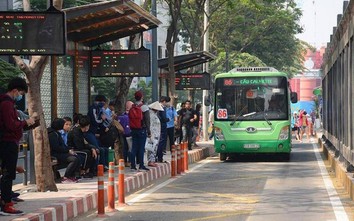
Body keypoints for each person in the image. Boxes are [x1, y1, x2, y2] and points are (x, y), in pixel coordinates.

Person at [0, 77, 36, 215]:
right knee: (8, 174)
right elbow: (11, 125)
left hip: (7, 141)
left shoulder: (6, 103)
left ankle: (5, 201)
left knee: (6, 173)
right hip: (8, 142)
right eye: (20, 93)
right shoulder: (7, 104)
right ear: (15, 90)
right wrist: (26, 122)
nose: (20, 96)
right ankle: (7, 205)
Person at [48, 118, 80, 183]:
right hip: (55, 154)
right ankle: (66, 177)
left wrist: (69, 149)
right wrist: (67, 151)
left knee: (77, 156)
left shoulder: (56, 133)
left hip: (60, 152)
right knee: (73, 159)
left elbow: (63, 146)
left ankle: (72, 176)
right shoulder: (52, 134)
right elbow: (56, 147)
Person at [129, 91, 151, 171]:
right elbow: (147, 120)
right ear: (142, 97)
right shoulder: (144, 107)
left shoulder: (132, 107)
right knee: (141, 148)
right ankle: (141, 165)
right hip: (141, 129)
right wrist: (149, 131)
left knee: (134, 147)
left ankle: (132, 165)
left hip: (133, 129)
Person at [146, 101, 163, 167]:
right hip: (153, 134)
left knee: (152, 147)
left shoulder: (152, 114)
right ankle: (151, 160)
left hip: (155, 134)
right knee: (152, 148)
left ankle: (151, 160)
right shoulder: (151, 115)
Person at [118, 101, 133, 167]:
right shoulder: (131, 115)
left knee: (125, 148)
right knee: (130, 148)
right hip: (130, 133)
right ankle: (130, 161)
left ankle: (125, 161)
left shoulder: (121, 116)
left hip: (123, 134)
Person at [157, 96, 169, 163]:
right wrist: (168, 119)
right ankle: (160, 157)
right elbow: (164, 118)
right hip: (162, 126)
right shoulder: (162, 108)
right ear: (164, 101)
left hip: (157, 126)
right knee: (161, 142)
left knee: (158, 142)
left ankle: (157, 157)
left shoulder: (157, 107)